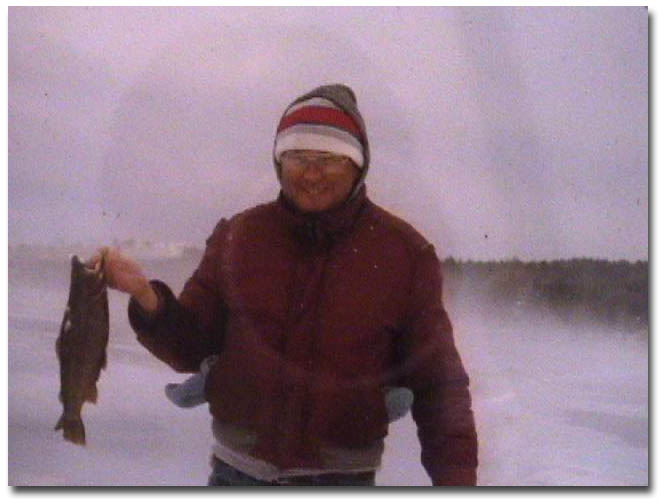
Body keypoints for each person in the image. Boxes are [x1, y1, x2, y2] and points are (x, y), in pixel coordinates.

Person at [100, 84, 478, 486]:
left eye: (329, 159)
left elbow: (439, 385)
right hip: (235, 477)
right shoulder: (239, 236)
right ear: (279, 163)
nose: (311, 174)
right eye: (297, 157)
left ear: (358, 165)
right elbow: (192, 346)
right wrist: (147, 297)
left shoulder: (405, 253)